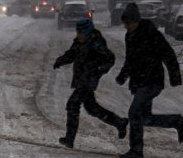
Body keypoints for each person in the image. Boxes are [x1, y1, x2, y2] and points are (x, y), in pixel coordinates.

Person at [114, 2, 183, 158]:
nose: (126, 26)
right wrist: (123, 75)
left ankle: (136, 149)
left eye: (128, 23)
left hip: (152, 81)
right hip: (139, 81)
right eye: (124, 23)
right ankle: (177, 121)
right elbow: (130, 59)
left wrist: (175, 77)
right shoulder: (130, 36)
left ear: (136, 21)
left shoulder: (151, 33)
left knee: (134, 113)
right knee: (144, 118)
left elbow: (168, 54)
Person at [52, 17, 127, 149]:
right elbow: (72, 54)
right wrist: (60, 61)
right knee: (92, 109)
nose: (78, 35)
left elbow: (110, 58)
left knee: (73, 104)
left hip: (88, 80)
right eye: (77, 32)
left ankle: (69, 139)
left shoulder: (96, 43)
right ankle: (119, 122)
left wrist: (99, 71)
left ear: (87, 32)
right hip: (81, 79)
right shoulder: (79, 42)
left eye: (80, 32)